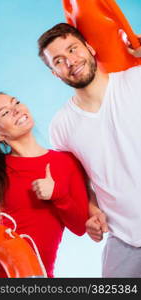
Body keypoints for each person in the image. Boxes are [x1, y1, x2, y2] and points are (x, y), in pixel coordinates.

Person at [37, 22, 141, 277]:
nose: (70, 61)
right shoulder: (61, 127)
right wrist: (91, 210)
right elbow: (78, 183)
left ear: (90, 48)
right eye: (59, 60)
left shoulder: (136, 80)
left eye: (73, 49)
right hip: (124, 240)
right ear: (54, 73)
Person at [0, 92, 89, 278]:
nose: (16, 109)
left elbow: (80, 227)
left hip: (35, 274)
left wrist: (58, 194)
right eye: (5, 113)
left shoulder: (66, 162)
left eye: (16, 102)